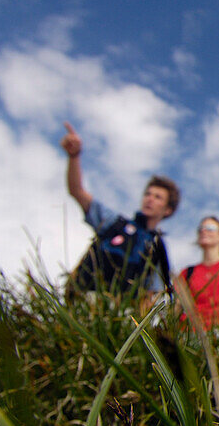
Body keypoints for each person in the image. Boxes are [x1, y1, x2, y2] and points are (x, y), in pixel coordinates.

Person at [60, 121, 179, 302]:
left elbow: (149, 295)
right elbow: (77, 191)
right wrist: (74, 156)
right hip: (83, 300)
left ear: (168, 210)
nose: (150, 199)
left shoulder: (156, 249)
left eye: (158, 197)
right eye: (148, 194)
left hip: (118, 313)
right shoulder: (113, 222)